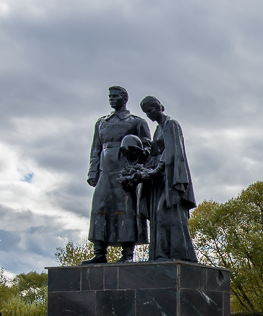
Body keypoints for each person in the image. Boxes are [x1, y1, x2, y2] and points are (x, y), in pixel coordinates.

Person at [84, 86, 150, 263]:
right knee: (100, 208)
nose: (111, 99)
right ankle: (99, 253)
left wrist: (135, 157)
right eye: (110, 96)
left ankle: (127, 254)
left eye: (115, 96)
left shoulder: (136, 122)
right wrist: (93, 171)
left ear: (124, 98)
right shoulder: (102, 122)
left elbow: (148, 148)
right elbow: (95, 149)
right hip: (105, 172)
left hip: (125, 172)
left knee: (127, 210)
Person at [137, 95, 198, 262]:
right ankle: (160, 254)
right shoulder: (159, 129)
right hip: (159, 179)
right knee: (157, 216)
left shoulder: (171, 124)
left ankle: (179, 254)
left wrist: (157, 167)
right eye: (146, 112)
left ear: (159, 107)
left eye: (150, 110)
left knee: (164, 212)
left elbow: (172, 150)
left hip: (171, 176)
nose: (149, 114)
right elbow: (154, 152)